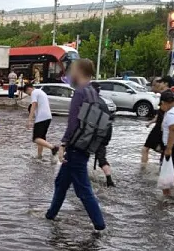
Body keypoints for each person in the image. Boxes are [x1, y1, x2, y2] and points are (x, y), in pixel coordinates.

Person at [45, 58, 105, 232]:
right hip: (85, 145)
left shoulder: (80, 92)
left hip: (75, 147)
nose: (70, 73)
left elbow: (73, 123)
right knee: (61, 183)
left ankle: (100, 226)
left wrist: (64, 144)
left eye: (71, 70)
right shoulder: (92, 91)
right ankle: (50, 215)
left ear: (79, 71)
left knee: (83, 190)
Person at [141, 76, 173, 164]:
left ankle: (143, 170)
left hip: (160, 127)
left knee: (146, 149)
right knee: (160, 148)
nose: (159, 84)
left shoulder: (165, 95)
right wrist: (151, 122)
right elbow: (161, 112)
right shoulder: (170, 94)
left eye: (161, 82)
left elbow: (165, 111)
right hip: (161, 126)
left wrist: (163, 124)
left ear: (165, 84)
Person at [23, 83, 60, 158]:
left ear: (29, 89)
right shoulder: (41, 92)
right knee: (41, 138)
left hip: (41, 118)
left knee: (36, 138)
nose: (29, 95)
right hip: (48, 117)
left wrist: (29, 120)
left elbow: (33, 105)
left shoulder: (34, 92)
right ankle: (39, 156)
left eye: (28, 93)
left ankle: (53, 147)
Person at [91, 81, 116, 187]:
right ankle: (109, 179)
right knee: (101, 157)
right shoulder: (102, 100)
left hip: (98, 131)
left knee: (80, 152)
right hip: (107, 131)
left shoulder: (93, 102)